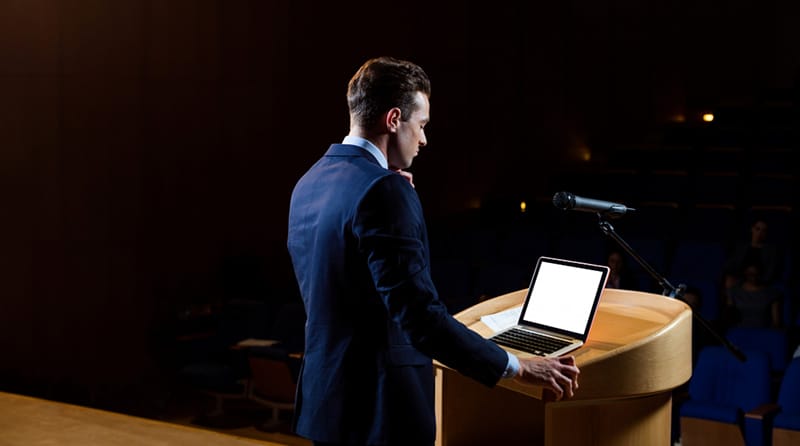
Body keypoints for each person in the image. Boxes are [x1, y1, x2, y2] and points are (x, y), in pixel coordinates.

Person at [286, 57, 580, 446]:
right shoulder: (384, 191)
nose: (423, 139)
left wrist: (386, 188)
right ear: (394, 119)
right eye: (421, 124)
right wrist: (519, 367)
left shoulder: (309, 182)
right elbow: (420, 317)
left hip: (327, 404)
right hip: (382, 410)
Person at [722, 217, 786, 290]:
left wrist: (757, 279)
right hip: (741, 279)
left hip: (758, 280)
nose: (760, 233)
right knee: (729, 281)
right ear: (752, 229)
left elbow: (771, 271)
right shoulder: (741, 248)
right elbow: (731, 264)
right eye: (757, 229)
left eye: (763, 231)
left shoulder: (771, 251)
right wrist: (731, 276)